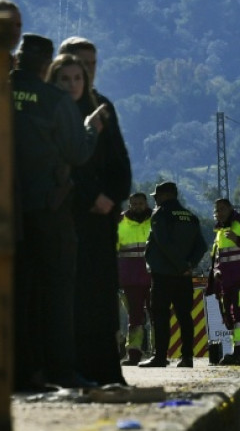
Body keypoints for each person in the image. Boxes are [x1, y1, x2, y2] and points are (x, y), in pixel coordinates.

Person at [11, 33, 105, 390]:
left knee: (18, 291)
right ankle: (61, 370)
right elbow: (76, 153)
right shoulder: (53, 100)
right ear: (46, 65)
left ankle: (21, 371)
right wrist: (91, 131)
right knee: (57, 291)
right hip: (48, 208)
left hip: (4, 210)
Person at [46, 52, 132, 386]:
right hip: (69, 216)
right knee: (73, 297)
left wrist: (111, 196)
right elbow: (66, 163)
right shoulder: (52, 114)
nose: (73, 85)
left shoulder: (102, 111)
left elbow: (120, 162)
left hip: (101, 222)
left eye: (77, 78)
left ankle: (107, 368)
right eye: (65, 79)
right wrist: (90, 196)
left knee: (102, 296)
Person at [139, 182, 207, 368]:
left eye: (156, 196)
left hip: (163, 275)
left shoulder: (160, 214)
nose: (155, 200)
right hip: (184, 276)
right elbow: (202, 246)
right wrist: (189, 265)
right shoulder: (190, 216)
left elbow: (163, 243)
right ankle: (187, 357)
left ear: (166, 195)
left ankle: (160, 357)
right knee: (185, 316)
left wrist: (180, 266)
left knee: (160, 315)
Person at [210, 198, 240, 366]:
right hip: (226, 281)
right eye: (216, 210)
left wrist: (237, 239)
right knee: (230, 317)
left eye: (222, 209)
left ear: (231, 208)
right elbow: (219, 257)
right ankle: (237, 351)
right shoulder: (219, 230)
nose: (219, 213)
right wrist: (216, 271)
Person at [116, 193, 153, 366]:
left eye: (141, 203)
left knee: (156, 315)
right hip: (130, 277)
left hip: (153, 276)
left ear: (146, 203)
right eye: (134, 204)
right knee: (134, 317)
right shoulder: (120, 222)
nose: (138, 206)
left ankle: (159, 353)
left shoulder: (155, 219)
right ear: (129, 205)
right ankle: (134, 353)